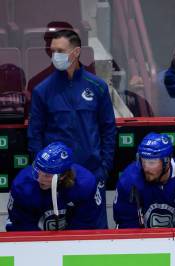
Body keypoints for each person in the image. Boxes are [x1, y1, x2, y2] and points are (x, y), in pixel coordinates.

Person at [27, 29, 115, 228]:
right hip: (55, 179)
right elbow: (35, 134)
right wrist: (44, 171)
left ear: (76, 52)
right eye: (52, 51)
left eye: (60, 50)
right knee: (55, 237)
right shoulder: (42, 90)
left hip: (92, 175)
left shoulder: (98, 87)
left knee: (96, 238)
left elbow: (108, 129)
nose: (54, 56)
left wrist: (104, 168)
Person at [113, 133, 175, 229]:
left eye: (151, 163)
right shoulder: (129, 180)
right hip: (141, 241)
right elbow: (126, 224)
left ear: (167, 161)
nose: (146, 168)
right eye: (143, 161)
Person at [6, 142, 105, 231]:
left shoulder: (85, 184)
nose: (39, 179)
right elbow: (23, 228)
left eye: (47, 175)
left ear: (63, 175)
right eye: (38, 170)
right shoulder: (22, 186)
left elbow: (84, 225)